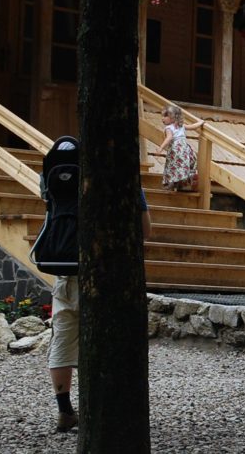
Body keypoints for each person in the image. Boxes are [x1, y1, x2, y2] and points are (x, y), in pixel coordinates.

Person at [46, 173, 152, 433]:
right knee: (106, 343)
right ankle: (105, 410)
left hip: (66, 271)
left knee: (61, 342)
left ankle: (65, 410)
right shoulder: (122, 175)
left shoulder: (56, 178)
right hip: (105, 275)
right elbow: (145, 230)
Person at [156, 105, 205, 191]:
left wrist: (161, 148)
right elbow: (193, 126)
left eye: (165, 116)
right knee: (183, 166)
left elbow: (169, 138)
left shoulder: (169, 128)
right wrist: (201, 122)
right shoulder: (180, 126)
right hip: (184, 149)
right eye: (162, 116)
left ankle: (173, 183)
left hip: (176, 150)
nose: (162, 118)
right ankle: (180, 183)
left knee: (173, 166)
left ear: (172, 117)